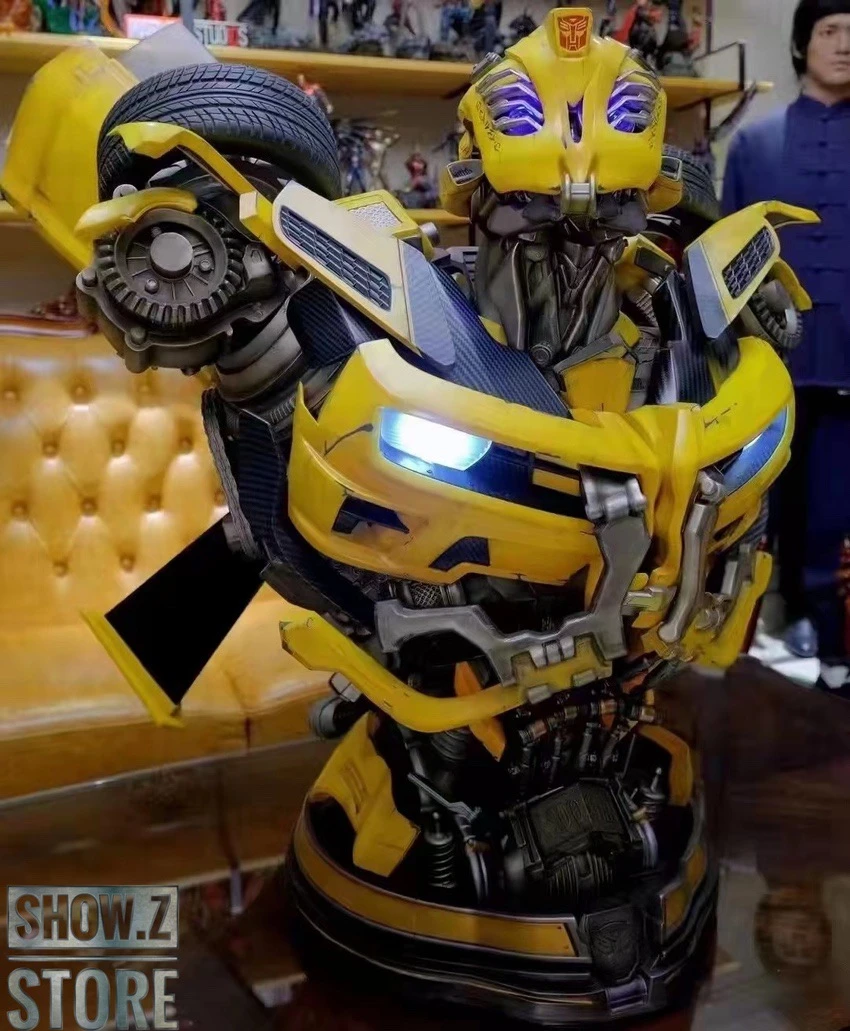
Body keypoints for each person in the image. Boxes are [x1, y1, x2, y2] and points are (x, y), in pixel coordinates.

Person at [723, 0, 850, 696]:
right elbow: (727, 262)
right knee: (756, 516)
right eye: (831, 32)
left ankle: (836, 655)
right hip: (769, 369)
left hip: (848, 373)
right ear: (802, 46)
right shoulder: (755, 144)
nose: (845, 45)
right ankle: (746, 649)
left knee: (836, 525)